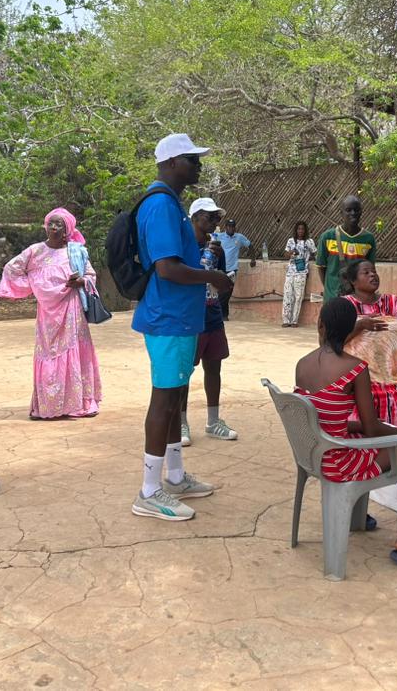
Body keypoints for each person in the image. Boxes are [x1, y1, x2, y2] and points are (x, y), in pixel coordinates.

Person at [130, 134, 232, 522]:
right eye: (192, 159)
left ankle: (173, 476)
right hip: (168, 317)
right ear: (172, 163)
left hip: (179, 317)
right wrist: (213, 277)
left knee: (174, 398)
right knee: (164, 398)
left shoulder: (170, 204)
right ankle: (150, 490)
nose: (198, 166)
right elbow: (167, 268)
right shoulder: (159, 206)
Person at [295, 298, 397, 566]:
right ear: (353, 328)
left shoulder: (302, 364)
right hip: (340, 461)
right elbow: (373, 427)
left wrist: (376, 429)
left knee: (363, 434)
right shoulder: (354, 368)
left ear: (321, 325)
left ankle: (357, 518)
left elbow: (326, 417)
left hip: (313, 454)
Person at [0, 207, 102, 419]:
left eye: (59, 224)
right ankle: (47, 405)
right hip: (47, 314)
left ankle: (80, 404)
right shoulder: (35, 251)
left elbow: (91, 274)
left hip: (71, 311)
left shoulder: (77, 251)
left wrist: (81, 281)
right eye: (51, 223)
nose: (53, 227)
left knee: (73, 351)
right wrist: (33, 285)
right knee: (49, 353)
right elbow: (11, 268)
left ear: (67, 230)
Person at [341, 259, 397, 424]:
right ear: (353, 281)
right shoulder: (345, 306)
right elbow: (331, 339)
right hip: (366, 378)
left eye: (374, 271)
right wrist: (361, 325)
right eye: (366, 272)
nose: (373, 275)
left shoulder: (392, 302)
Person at [180, 197, 238, 444]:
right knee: (183, 372)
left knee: (214, 367)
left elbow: (224, 284)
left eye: (217, 217)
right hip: (189, 317)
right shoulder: (182, 247)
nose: (215, 222)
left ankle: (213, 421)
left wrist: (221, 279)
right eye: (209, 216)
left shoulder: (217, 248)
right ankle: (181, 424)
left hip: (212, 314)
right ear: (194, 218)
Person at [315, 195, 377, 302]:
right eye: (348, 210)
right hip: (332, 298)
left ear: (361, 212)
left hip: (358, 299)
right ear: (341, 213)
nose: (353, 213)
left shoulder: (368, 239)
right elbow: (321, 267)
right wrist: (330, 289)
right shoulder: (327, 237)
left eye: (356, 210)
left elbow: (370, 270)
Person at [212, 218, 250, 320]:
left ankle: (222, 314)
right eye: (229, 226)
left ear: (235, 227)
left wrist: (253, 259)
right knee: (221, 292)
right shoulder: (219, 237)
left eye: (233, 226)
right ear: (226, 227)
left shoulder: (239, 237)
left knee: (228, 291)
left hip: (233, 269)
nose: (231, 228)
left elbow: (250, 246)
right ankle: (224, 315)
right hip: (221, 269)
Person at [281, 220, 316, 327]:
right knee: (287, 295)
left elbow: (315, 253)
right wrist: (291, 252)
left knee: (298, 297)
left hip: (301, 272)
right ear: (296, 230)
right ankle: (286, 320)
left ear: (305, 231)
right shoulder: (291, 241)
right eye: (298, 229)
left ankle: (294, 321)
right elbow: (285, 254)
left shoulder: (309, 242)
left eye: (302, 229)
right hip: (290, 272)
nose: (300, 231)